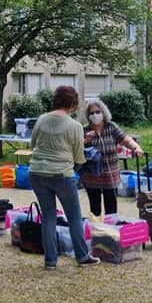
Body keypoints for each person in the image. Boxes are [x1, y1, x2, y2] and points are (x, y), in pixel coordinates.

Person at [28, 85, 100, 269]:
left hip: (37, 172)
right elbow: (78, 157)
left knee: (49, 216)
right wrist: (83, 145)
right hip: (62, 175)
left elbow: (33, 144)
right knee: (74, 217)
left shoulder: (42, 119)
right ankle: (83, 256)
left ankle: (50, 260)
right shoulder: (74, 125)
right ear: (73, 103)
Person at [81, 98, 143, 218]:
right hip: (91, 175)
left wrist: (136, 147)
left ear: (103, 112)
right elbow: (77, 149)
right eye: (92, 113)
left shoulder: (111, 127)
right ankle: (97, 230)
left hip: (110, 174)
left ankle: (111, 231)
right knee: (95, 208)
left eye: (97, 111)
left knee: (111, 208)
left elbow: (126, 139)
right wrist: (86, 141)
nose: (95, 115)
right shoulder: (84, 130)